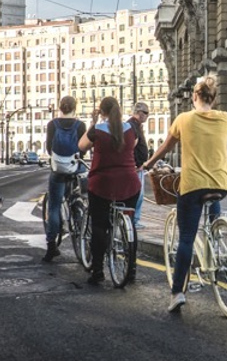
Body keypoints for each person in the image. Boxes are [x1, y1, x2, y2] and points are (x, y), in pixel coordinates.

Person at [144, 76, 227, 312]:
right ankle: (215, 235)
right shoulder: (225, 118)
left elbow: (166, 146)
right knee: (213, 197)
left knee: (186, 238)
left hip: (193, 184)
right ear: (213, 99)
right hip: (222, 183)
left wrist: (148, 163)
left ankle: (177, 293)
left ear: (194, 96)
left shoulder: (183, 119)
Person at [78, 97, 140, 284]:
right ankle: (131, 269)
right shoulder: (130, 129)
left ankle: (98, 271)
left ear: (101, 111)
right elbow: (134, 144)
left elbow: (81, 146)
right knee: (130, 221)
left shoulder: (97, 130)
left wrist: (93, 122)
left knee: (99, 226)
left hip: (102, 184)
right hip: (129, 184)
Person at [43, 96, 87, 263]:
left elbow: (49, 148)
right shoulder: (80, 125)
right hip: (76, 167)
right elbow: (83, 149)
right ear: (75, 107)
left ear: (60, 108)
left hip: (58, 170)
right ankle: (80, 209)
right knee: (84, 194)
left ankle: (51, 246)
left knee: (54, 207)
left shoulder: (52, 124)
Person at [128, 102, 150, 230]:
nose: (147, 116)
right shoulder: (132, 125)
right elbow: (131, 146)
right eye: (146, 113)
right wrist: (135, 164)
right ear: (139, 112)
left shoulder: (136, 125)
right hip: (136, 167)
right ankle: (134, 220)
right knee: (138, 194)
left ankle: (135, 219)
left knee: (139, 194)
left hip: (139, 166)